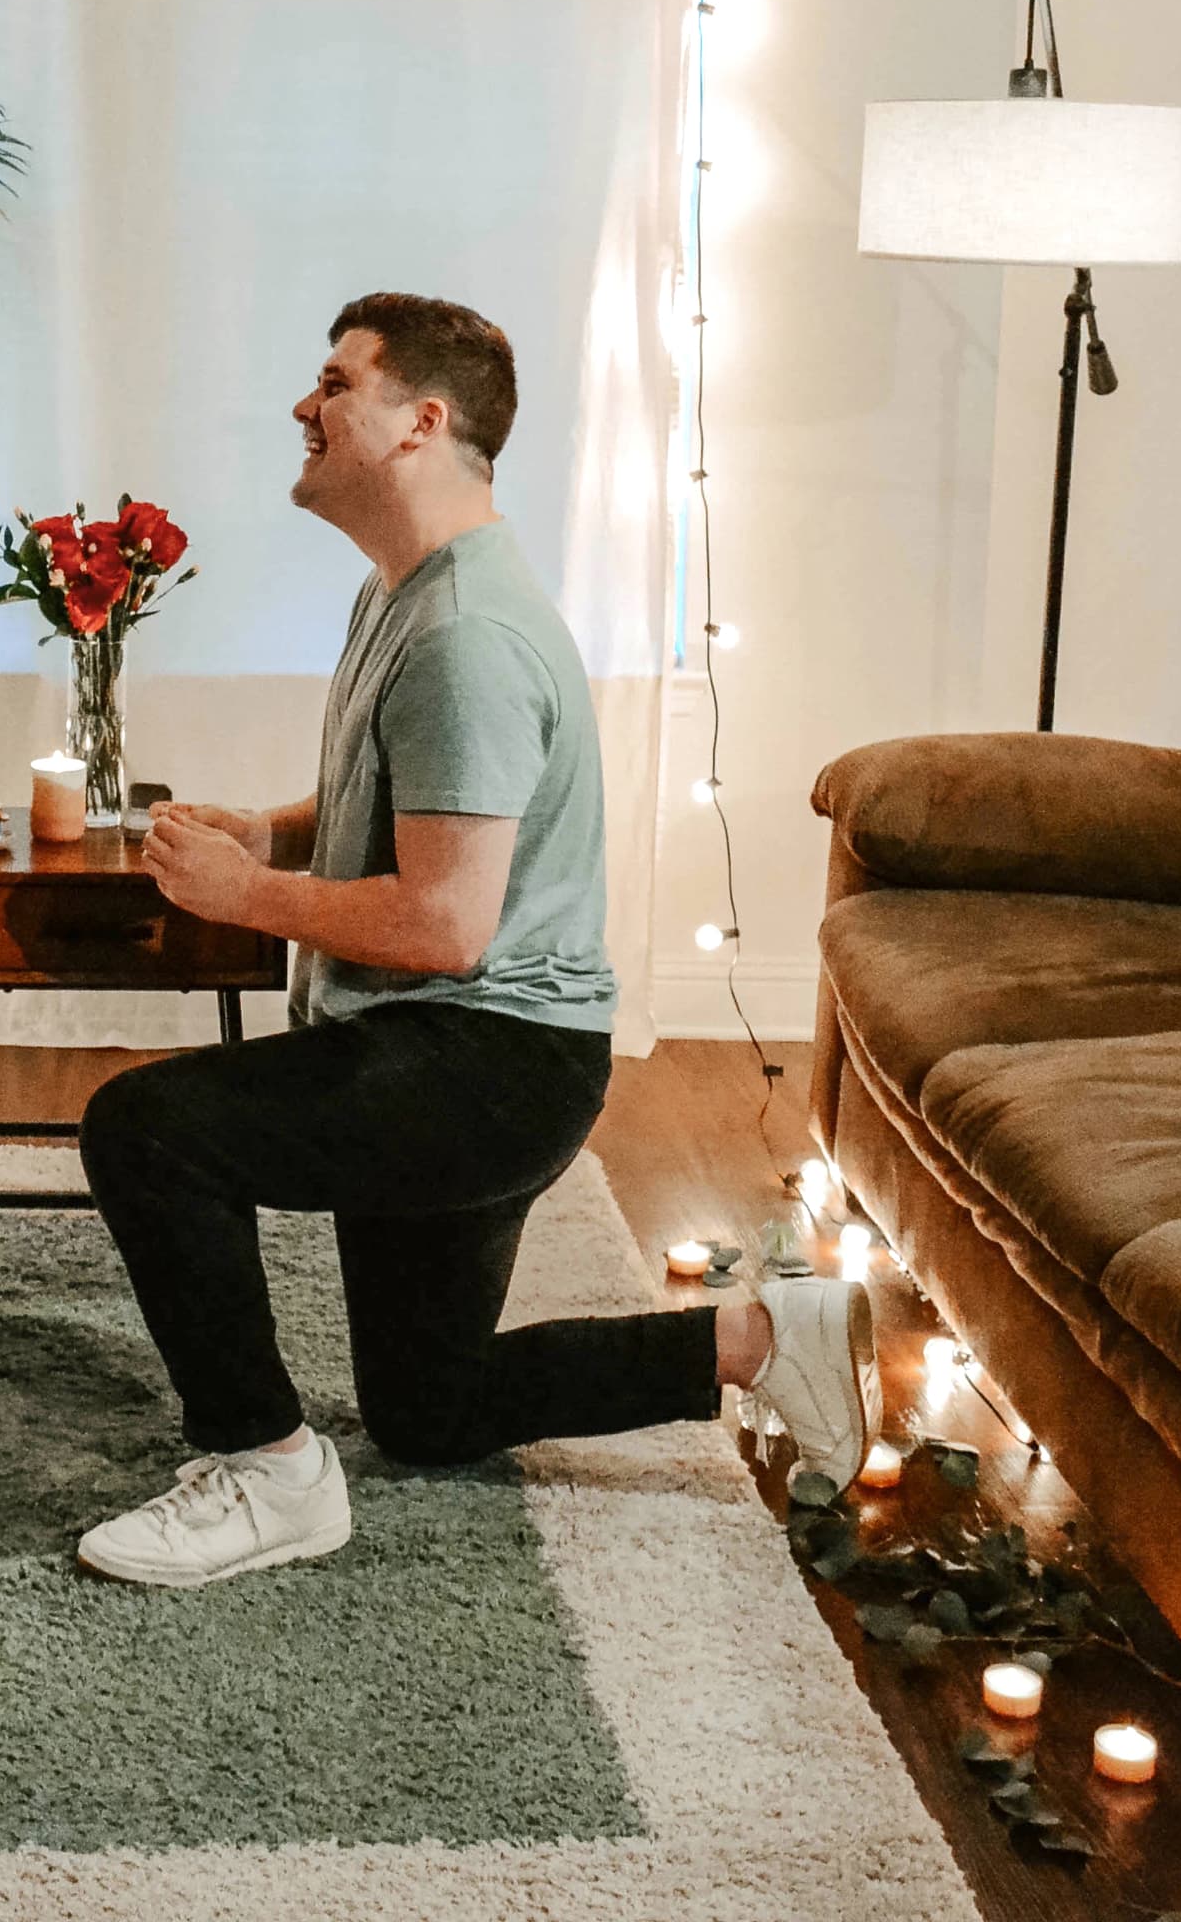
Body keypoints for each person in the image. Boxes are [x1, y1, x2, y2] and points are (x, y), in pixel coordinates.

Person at [72, 293, 873, 1588]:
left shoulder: (464, 633)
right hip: (482, 1049)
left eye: (335, 383)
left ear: (420, 423)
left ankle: (267, 1473)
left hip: (481, 1067)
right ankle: (760, 1341)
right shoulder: (409, 594)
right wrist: (276, 838)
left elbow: (448, 920)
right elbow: (420, 822)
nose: (304, 405)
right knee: (428, 1410)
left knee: (145, 1129)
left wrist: (243, 896)